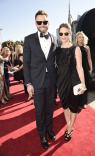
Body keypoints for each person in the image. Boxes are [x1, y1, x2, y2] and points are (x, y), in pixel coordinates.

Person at [23, 10, 58, 149]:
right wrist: (28, 83)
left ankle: (49, 129)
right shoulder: (29, 39)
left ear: (48, 23)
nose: (42, 24)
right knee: (39, 109)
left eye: (45, 22)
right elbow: (25, 63)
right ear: (36, 23)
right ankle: (42, 134)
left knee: (50, 108)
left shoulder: (55, 38)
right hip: (36, 81)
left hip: (51, 79)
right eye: (39, 22)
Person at [55, 23, 86, 141]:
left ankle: (69, 127)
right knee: (64, 106)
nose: (63, 36)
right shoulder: (56, 50)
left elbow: (80, 67)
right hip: (61, 82)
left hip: (73, 82)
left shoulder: (76, 49)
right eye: (61, 33)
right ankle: (69, 124)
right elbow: (54, 66)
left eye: (66, 33)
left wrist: (83, 85)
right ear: (59, 35)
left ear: (70, 34)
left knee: (73, 107)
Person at [75, 31, 92, 109]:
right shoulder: (75, 47)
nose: (81, 39)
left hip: (86, 68)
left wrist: (91, 68)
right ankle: (77, 103)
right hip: (78, 69)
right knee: (79, 85)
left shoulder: (87, 47)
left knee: (86, 85)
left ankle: (83, 103)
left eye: (82, 37)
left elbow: (89, 59)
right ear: (77, 39)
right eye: (79, 37)